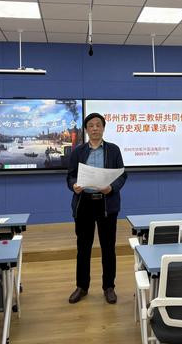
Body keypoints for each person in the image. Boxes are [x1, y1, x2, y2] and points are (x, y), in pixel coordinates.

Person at [66, 112, 127, 304]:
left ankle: (109, 287)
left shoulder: (113, 150)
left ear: (103, 128)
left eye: (98, 125)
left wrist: (112, 188)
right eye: (91, 125)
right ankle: (81, 287)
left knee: (108, 248)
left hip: (106, 204)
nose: (94, 128)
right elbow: (70, 176)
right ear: (86, 129)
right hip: (84, 203)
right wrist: (74, 186)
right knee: (83, 248)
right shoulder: (78, 151)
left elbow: (122, 175)